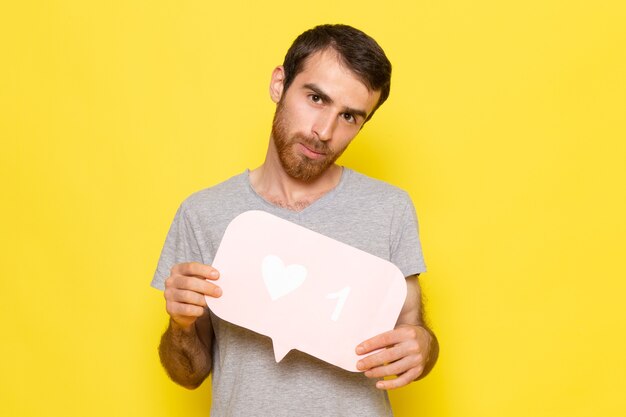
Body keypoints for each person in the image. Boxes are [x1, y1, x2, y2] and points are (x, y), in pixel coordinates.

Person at [151, 24, 439, 416]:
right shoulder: (203, 213)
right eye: (316, 98)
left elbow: (413, 331)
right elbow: (188, 374)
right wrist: (180, 325)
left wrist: (422, 347)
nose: (324, 131)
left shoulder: (389, 209)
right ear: (278, 84)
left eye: (350, 117)